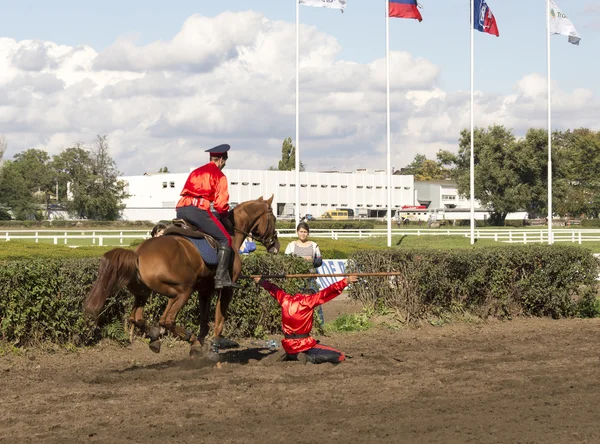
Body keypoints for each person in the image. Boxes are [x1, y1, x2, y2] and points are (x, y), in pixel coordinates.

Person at [253, 275, 359, 364]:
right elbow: (328, 291)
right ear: (310, 296)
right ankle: (308, 358)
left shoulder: (285, 299)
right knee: (339, 356)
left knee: (293, 349)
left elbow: (273, 289)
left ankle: (287, 354)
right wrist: (346, 281)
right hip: (303, 344)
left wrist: (261, 281)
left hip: (288, 343)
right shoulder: (309, 301)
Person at [176, 144, 239, 289]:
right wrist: (223, 218)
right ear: (222, 160)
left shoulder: (196, 171)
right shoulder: (220, 176)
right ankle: (221, 278)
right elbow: (221, 205)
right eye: (224, 162)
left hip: (181, 209)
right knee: (225, 239)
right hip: (198, 211)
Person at [285, 222, 324, 321]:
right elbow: (285, 259)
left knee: (315, 300)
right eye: (301, 231)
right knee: (296, 301)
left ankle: (319, 323)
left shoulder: (314, 245)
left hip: (310, 277)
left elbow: (319, 261)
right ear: (297, 232)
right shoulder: (291, 245)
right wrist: (299, 260)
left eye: (305, 232)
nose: (303, 234)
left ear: (308, 233)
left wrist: (312, 260)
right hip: (296, 278)